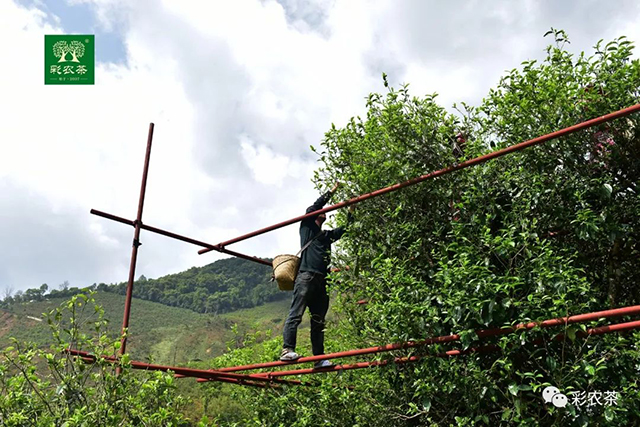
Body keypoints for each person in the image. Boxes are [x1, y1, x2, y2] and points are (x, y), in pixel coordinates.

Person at [280, 182, 353, 368]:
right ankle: (287, 350)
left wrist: (352, 210)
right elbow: (314, 207)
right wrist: (332, 191)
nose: (322, 212)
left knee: (318, 321)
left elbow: (346, 229)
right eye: (320, 211)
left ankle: (319, 359)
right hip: (306, 276)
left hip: (322, 281)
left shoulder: (326, 235)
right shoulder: (307, 227)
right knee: (296, 314)